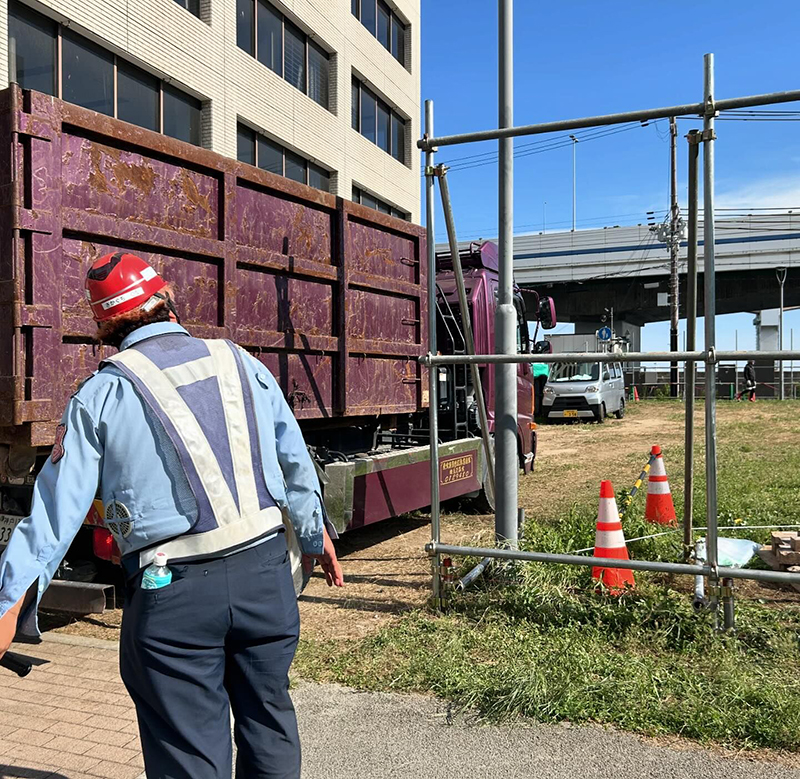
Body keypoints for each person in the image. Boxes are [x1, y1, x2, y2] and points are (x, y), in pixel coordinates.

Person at [0, 252, 343, 779]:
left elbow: (53, 518)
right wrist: (316, 537)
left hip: (174, 593)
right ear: (169, 302)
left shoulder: (99, 395)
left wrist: (8, 606)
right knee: (269, 719)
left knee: (188, 749)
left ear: (104, 327)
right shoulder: (241, 362)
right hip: (266, 577)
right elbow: (294, 460)